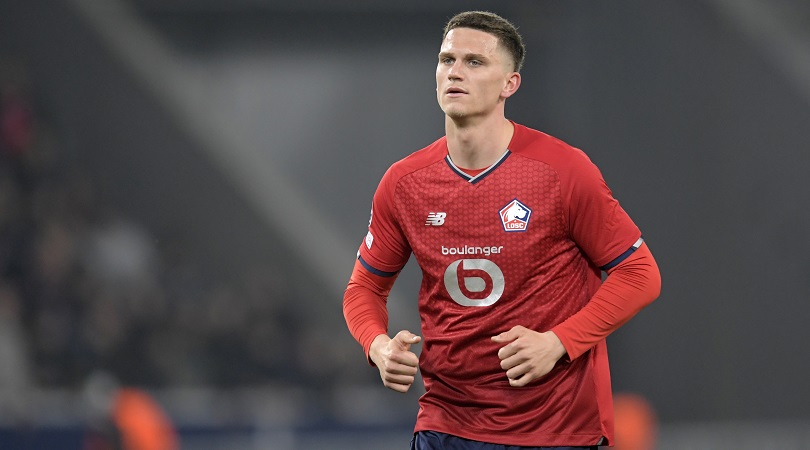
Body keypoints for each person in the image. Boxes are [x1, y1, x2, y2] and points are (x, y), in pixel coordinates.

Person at [343, 10, 661, 450]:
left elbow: (640, 274)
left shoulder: (563, 171)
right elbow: (363, 288)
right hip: (445, 425)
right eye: (447, 59)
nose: (455, 71)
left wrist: (559, 342)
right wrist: (377, 346)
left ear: (509, 84)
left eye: (474, 62)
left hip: (555, 427)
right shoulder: (404, 182)